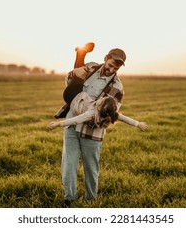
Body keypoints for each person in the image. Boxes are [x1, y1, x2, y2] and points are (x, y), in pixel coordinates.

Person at [55, 44, 146, 206]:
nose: (112, 70)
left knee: (91, 166)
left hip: (93, 129)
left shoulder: (118, 87)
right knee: (69, 162)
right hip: (72, 120)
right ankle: (69, 198)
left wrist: (92, 114)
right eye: (111, 65)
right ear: (106, 59)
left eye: (116, 69)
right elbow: (70, 84)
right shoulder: (89, 67)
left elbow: (111, 112)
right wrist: (74, 73)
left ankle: (91, 200)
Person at [47, 91, 148, 131]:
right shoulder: (113, 114)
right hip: (90, 112)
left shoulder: (91, 113)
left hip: (78, 104)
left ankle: (65, 109)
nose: (100, 98)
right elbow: (125, 119)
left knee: (74, 101)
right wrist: (138, 124)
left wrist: (58, 124)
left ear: (100, 107)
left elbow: (76, 120)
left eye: (100, 100)